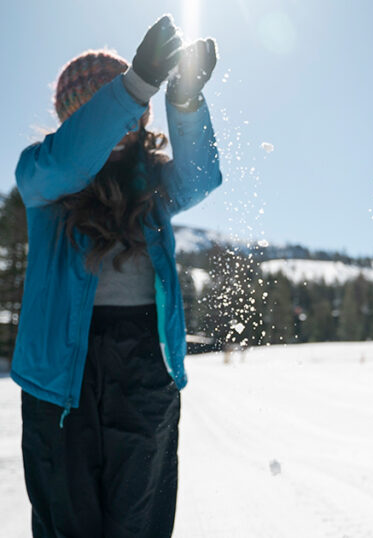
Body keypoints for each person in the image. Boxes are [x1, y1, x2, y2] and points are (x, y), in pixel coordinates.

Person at [13, 15, 221, 537]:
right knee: (69, 523)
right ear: (76, 118)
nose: (124, 127)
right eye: (109, 112)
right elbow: (72, 160)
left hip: (145, 365)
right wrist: (134, 85)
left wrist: (185, 101)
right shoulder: (42, 175)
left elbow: (201, 176)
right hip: (62, 374)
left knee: (139, 521)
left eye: (133, 115)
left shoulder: (151, 187)